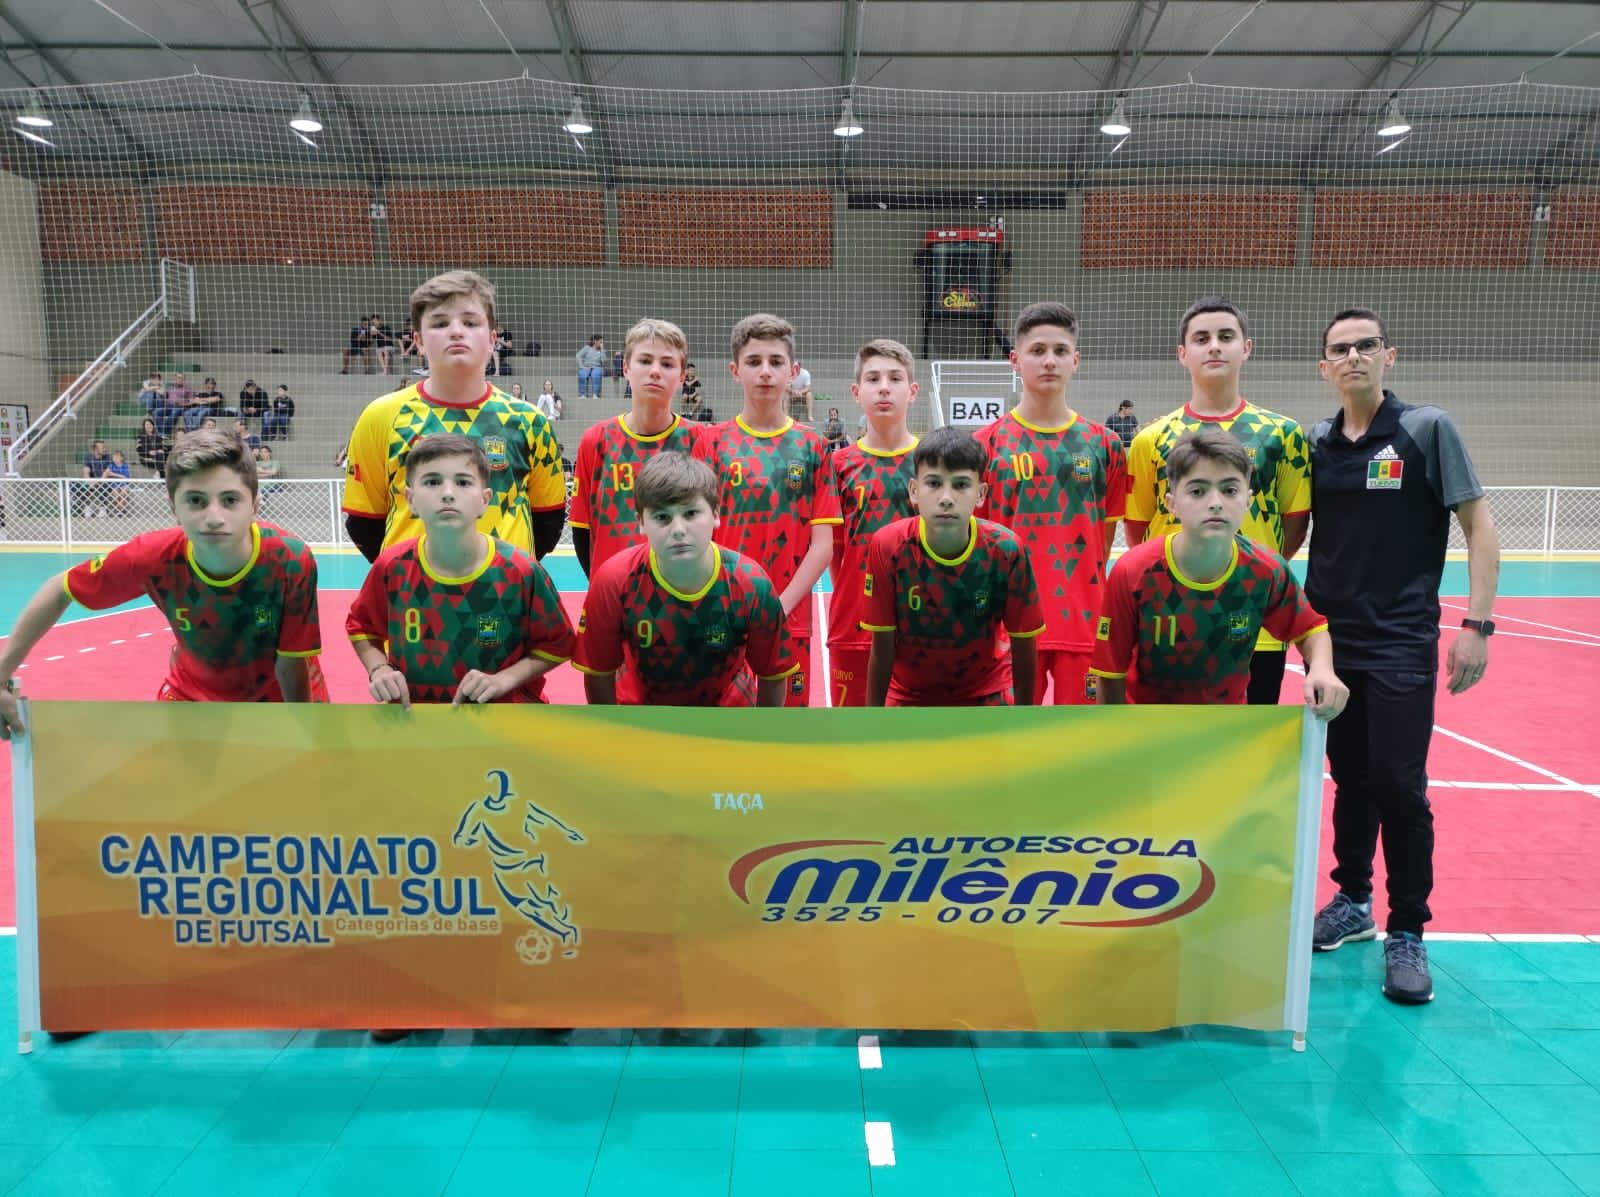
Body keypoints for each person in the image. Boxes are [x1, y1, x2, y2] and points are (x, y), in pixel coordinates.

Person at [1306, 307, 1500, 1006]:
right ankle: (1352, 898)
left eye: (1365, 345)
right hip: (1330, 640)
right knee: (1347, 776)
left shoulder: (1426, 430)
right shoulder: (1315, 443)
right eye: (1339, 349)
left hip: (1400, 638)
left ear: (1390, 355)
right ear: (1323, 367)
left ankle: (1407, 929)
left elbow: (1478, 525)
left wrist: (1478, 622)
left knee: (1397, 781)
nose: (1353, 356)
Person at [0, 430, 327, 746]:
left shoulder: (290, 560)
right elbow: (61, 588)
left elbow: (290, 664)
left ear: (255, 504)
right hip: (192, 698)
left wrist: (301, 730)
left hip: (286, 697)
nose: (214, 516)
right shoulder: (151, 557)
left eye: (230, 500)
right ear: (173, 506)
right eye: (196, 501)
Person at [1124, 297, 1312, 706]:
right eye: (1201, 338)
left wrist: (1251, 574)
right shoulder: (1149, 440)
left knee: (1248, 750)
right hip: (1167, 619)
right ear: (1182, 353)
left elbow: (1294, 523)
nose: (1214, 347)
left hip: (1254, 625)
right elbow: (1139, 527)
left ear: (1246, 348)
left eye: (1226, 337)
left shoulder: (1283, 435)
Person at [1092, 426, 1347, 719]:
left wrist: (1323, 669)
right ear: (1171, 503)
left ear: (1247, 501)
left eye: (1229, 490)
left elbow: (1311, 630)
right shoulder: (1132, 572)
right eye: (1198, 490)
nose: (1215, 502)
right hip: (1146, 729)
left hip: (1226, 733)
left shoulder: (1265, 571)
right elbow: (1110, 674)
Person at [342, 270, 566, 563]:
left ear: (492, 339)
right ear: (418, 341)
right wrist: (414, 574)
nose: (456, 331)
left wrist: (502, 571)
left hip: (504, 597)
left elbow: (548, 523)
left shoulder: (529, 420)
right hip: (413, 600)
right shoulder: (380, 416)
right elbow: (364, 523)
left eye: (471, 322)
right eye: (440, 323)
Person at [348, 434, 575, 708]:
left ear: (484, 499)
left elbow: (558, 644)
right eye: (432, 481)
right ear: (411, 500)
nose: (447, 492)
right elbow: (361, 626)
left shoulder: (522, 571)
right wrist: (379, 669)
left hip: (504, 720)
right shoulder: (390, 567)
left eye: (463, 482)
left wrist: (504, 679)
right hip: (414, 719)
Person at [975, 301, 1127, 705]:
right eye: (1037, 350)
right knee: (1010, 750)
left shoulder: (1105, 445)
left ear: (1075, 361)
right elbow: (978, 539)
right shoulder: (984, 445)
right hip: (1008, 625)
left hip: (1084, 619)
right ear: (1015, 360)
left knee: (1080, 749)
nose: (1049, 361)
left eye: (1060, 351)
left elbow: (1104, 538)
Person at [694, 313, 841, 706]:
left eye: (776, 362)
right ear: (734, 370)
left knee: (786, 741)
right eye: (754, 361)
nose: (765, 372)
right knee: (721, 740)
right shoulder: (710, 443)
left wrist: (776, 608)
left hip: (788, 620)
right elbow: (696, 537)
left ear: (793, 371)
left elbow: (822, 545)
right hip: (721, 616)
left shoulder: (813, 447)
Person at [574, 452, 796, 706]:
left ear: (715, 513)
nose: (678, 530)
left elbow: (773, 674)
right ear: (641, 523)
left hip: (729, 722)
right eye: (662, 517)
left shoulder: (751, 584)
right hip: (640, 722)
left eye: (690, 513)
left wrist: (758, 740)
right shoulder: (614, 580)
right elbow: (598, 673)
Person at [862, 426, 1044, 707]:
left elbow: (1025, 649)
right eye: (933, 483)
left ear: (981, 493)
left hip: (987, 691)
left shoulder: (1007, 551)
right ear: (914, 490)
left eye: (960, 485)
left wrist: (1023, 719)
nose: (946, 497)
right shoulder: (888, 547)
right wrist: (871, 722)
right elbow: (882, 648)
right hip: (908, 694)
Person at [568, 319, 703, 578]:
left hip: (683, 596)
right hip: (613, 598)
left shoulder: (700, 440)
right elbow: (581, 531)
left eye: (667, 364)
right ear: (626, 368)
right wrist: (605, 587)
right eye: (645, 361)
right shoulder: (596, 441)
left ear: (682, 376)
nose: (655, 371)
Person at [827, 338, 920, 708]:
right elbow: (836, 554)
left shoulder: (932, 463)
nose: (884, 386)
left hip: (921, 626)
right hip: (853, 624)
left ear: (912, 391)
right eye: (873, 378)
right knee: (852, 742)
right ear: (856, 391)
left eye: (895, 378)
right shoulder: (837, 466)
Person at [786, 358, 814, 423]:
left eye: (796, 367)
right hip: (792, 394)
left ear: (800, 367)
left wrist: (801, 391)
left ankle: (810, 415)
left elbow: (808, 387)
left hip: (802, 394)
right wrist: (793, 391)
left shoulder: (805, 373)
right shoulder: (788, 373)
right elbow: (786, 387)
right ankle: (785, 416)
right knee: (785, 395)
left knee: (809, 394)